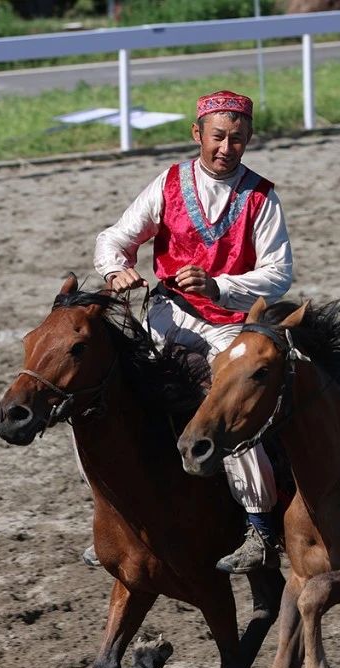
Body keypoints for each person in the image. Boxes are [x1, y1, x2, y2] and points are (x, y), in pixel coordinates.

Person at [92, 89, 293, 574]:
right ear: (197, 134)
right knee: (109, 399)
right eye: (219, 137)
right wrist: (115, 270)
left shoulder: (262, 197)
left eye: (238, 140)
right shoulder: (169, 182)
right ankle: (114, 515)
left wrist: (219, 286)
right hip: (167, 315)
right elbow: (114, 238)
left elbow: (279, 273)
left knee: (228, 406)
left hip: (228, 329)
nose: (227, 148)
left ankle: (260, 529)